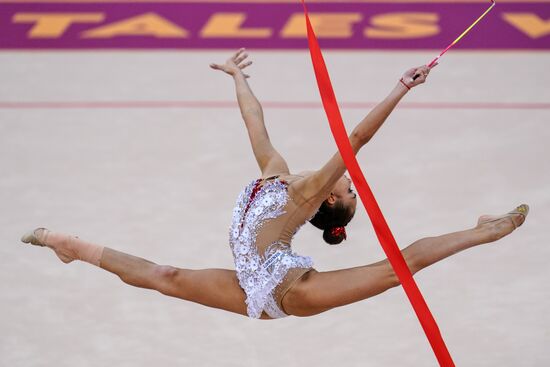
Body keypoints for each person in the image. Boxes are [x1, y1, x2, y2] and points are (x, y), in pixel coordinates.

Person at [21, 49, 528, 320]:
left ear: (329, 199)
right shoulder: (277, 175)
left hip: (288, 292)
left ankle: (490, 229)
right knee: (166, 275)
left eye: (349, 191)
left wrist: (401, 86)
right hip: (248, 283)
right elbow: (255, 123)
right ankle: (71, 246)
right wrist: (237, 77)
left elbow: (358, 136)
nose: (350, 183)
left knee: (398, 269)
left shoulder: (303, 196)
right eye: (352, 188)